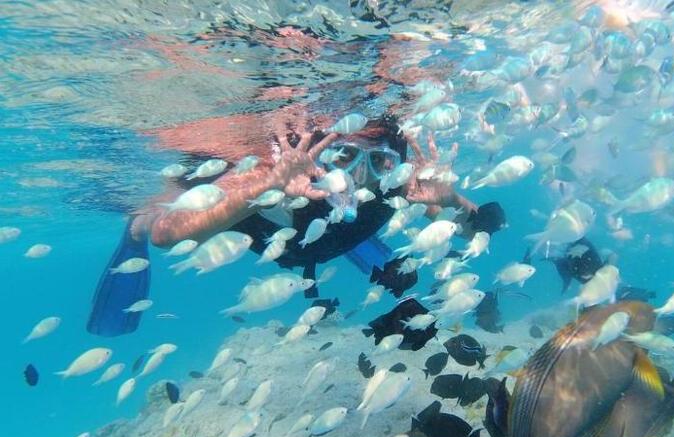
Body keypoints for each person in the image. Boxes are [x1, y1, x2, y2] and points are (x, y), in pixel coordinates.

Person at [87, 34, 506, 337]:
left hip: (324, 238)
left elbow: (472, 230)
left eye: (378, 162)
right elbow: (167, 235)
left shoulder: (400, 182)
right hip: (272, 233)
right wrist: (262, 191)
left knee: (346, 221)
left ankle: (353, 249)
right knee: (149, 223)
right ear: (320, 153)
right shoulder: (270, 178)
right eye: (343, 157)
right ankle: (132, 226)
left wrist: (453, 202)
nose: (359, 175)